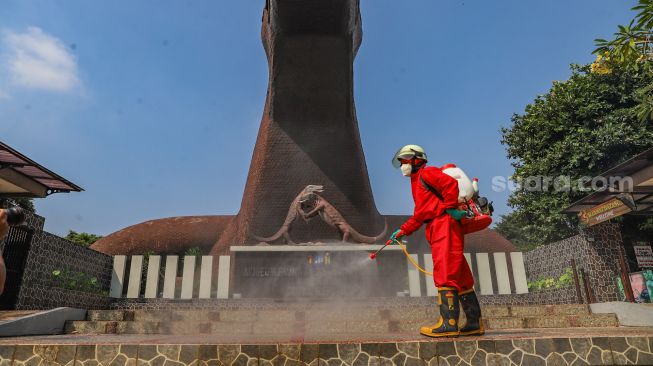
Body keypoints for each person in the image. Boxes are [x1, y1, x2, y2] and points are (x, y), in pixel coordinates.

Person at [389, 144, 483, 338]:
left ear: (417, 160)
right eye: (401, 163)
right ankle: (474, 323)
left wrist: (449, 208)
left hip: (444, 224)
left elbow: (450, 184)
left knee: (445, 270)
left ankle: (448, 324)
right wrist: (402, 231)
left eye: (405, 161)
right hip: (436, 225)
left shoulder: (427, 173)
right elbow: (420, 215)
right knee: (461, 274)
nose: (403, 166)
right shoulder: (416, 183)